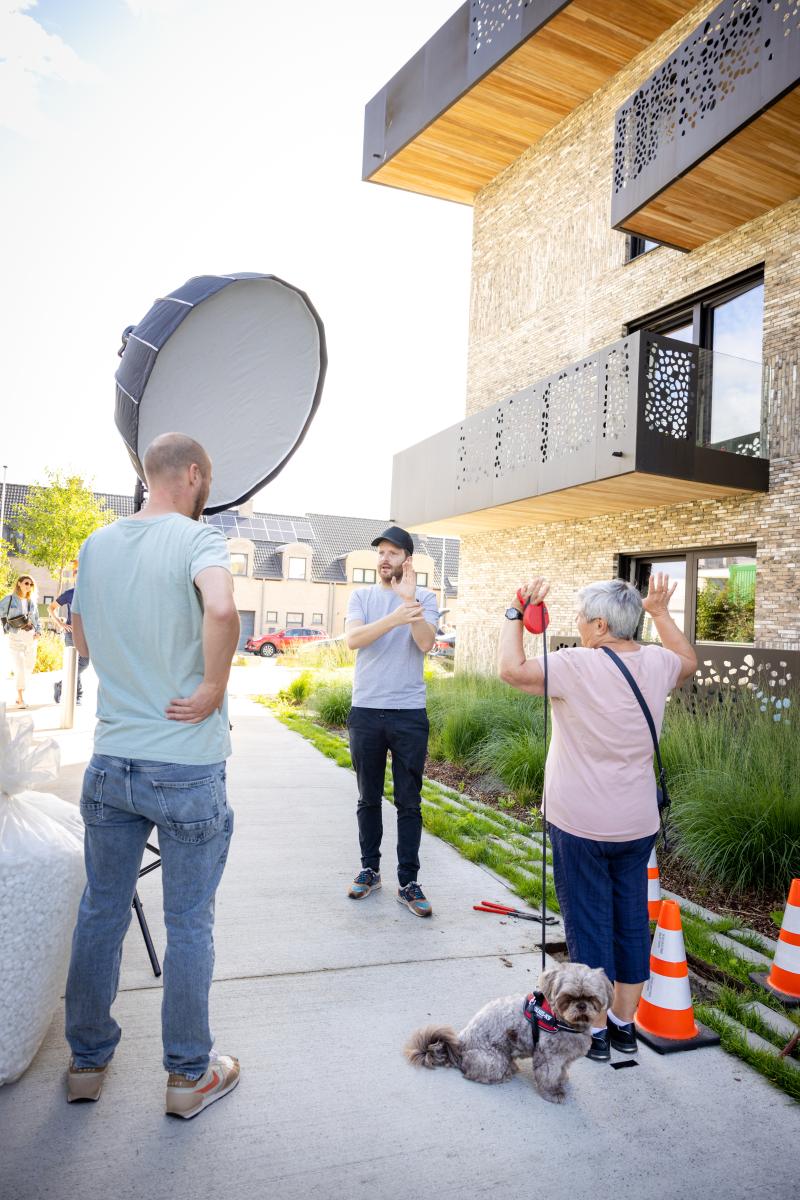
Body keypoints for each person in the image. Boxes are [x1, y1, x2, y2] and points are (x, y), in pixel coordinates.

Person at [64, 432, 242, 1119]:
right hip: (187, 765)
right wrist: (212, 685)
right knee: (189, 923)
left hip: (111, 761)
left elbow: (78, 636)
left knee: (100, 911)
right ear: (193, 475)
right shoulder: (199, 541)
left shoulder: (96, 544)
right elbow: (222, 609)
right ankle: (187, 1077)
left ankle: (86, 1064)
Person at [498, 573, 697, 1061]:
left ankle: (598, 1033)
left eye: (583, 619)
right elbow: (689, 661)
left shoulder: (577, 665)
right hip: (636, 823)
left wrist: (513, 614)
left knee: (588, 925)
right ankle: (625, 1025)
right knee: (630, 920)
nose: (579, 627)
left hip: (581, 823)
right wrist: (661, 612)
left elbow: (511, 670)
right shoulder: (656, 662)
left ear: (601, 624)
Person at [344, 525, 438, 917]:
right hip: (366, 709)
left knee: (409, 802)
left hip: (409, 713)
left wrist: (409, 605)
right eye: (381, 552)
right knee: (368, 797)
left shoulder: (426, 597)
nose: (384, 559)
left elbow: (426, 643)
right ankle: (370, 869)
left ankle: (408, 881)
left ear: (407, 560)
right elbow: (354, 639)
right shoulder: (361, 596)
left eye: (393, 553)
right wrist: (395, 616)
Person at [49, 561, 89, 705]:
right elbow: (51, 608)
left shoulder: (91, 593)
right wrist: (60, 623)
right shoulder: (69, 594)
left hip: (86, 634)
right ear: (74, 577)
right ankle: (77, 695)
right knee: (74, 661)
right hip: (71, 632)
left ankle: (61, 684)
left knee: (83, 663)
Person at [1, 575, 42, 707]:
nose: (28, 586)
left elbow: (36, 619)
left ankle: (22, 688)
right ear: (19, 583)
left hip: (30, 636)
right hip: (15, 636)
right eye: (26, 583)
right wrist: (5, 626)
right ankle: (20, 698)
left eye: (30, 584)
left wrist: (38, 631)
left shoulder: (31, 602)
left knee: (29, 666)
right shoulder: (9, 599)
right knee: (19, 667)